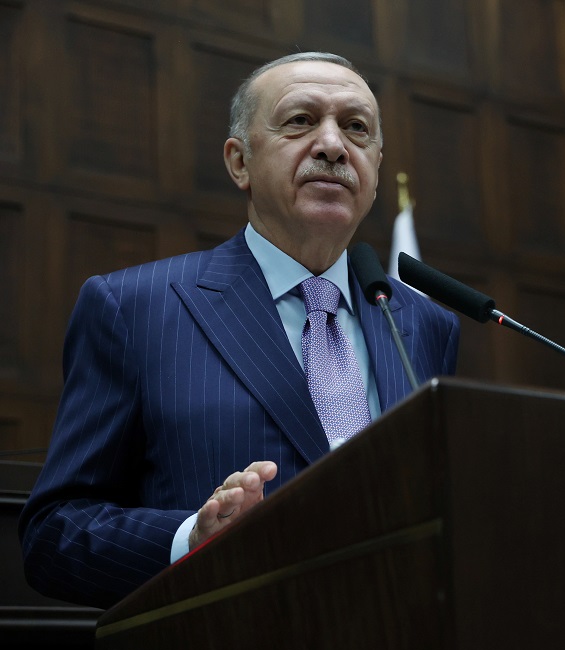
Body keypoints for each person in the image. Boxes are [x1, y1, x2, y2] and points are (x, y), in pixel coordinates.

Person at [18, 52, 460, 609]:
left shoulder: (423, 323)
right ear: (239, 162)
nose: (332, 145)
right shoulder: (134, 309)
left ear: (375, 167)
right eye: (300, 121)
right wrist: (191, 540)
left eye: (356, 128)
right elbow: (54, 533)